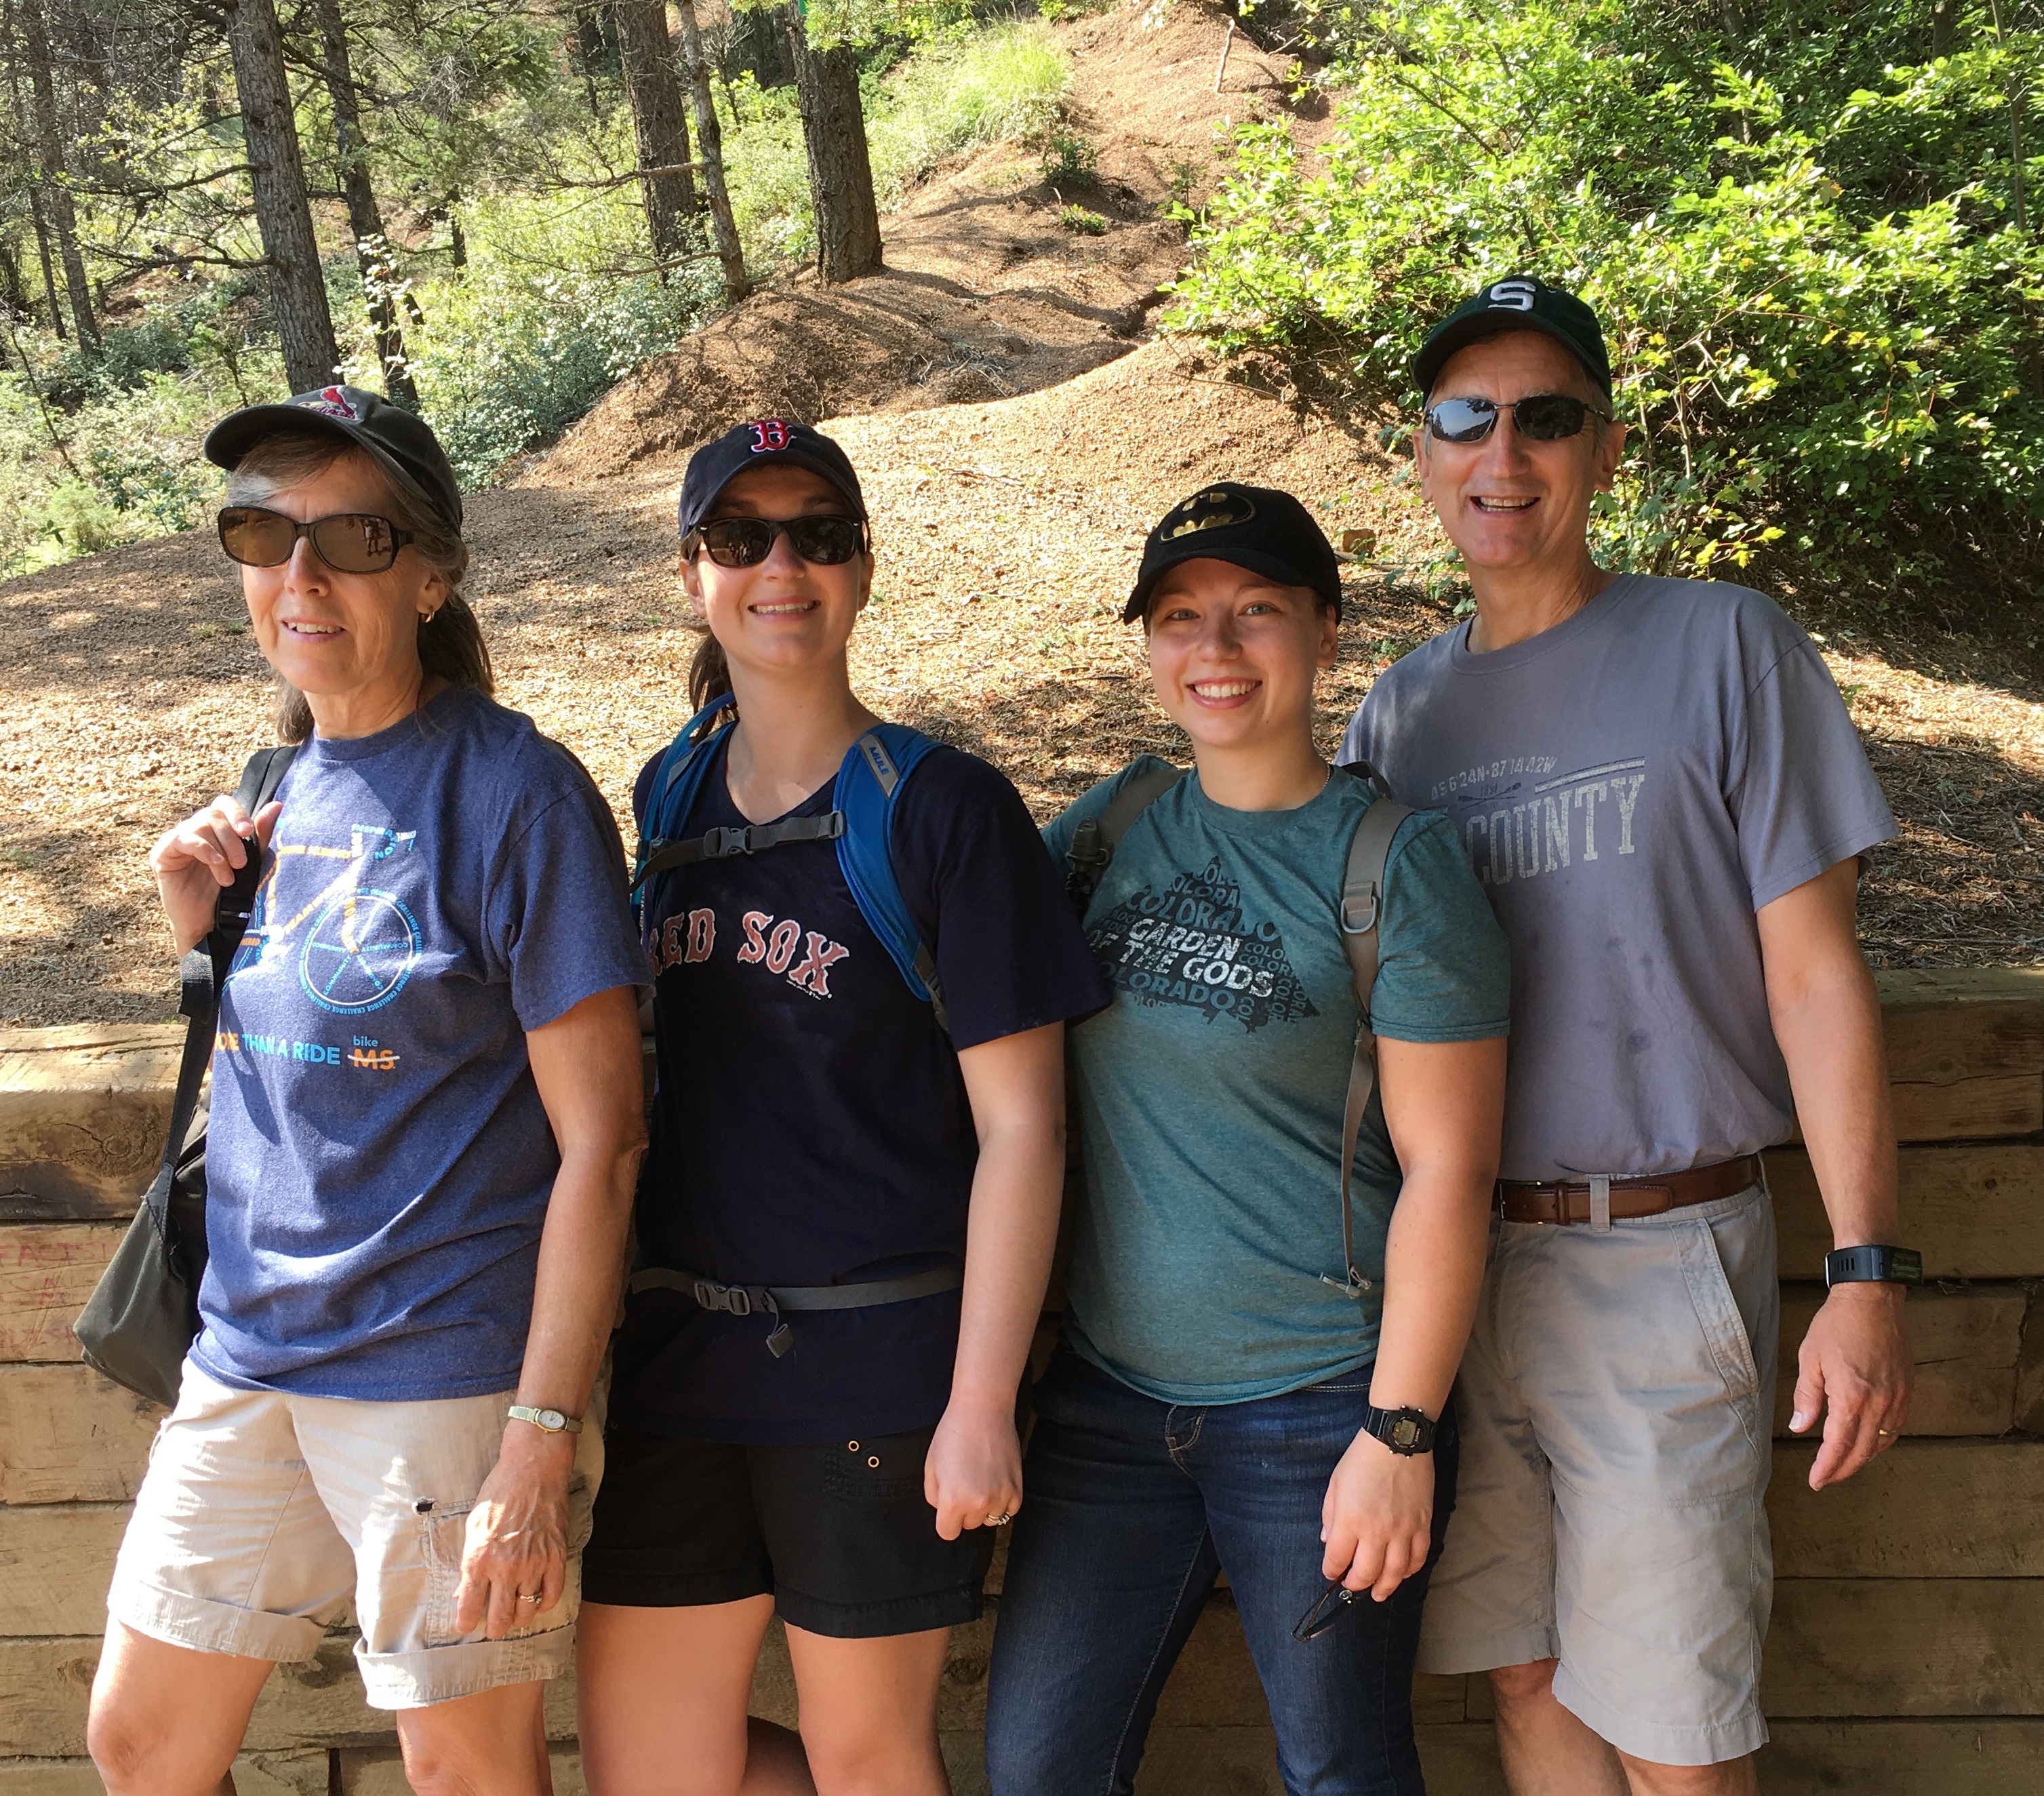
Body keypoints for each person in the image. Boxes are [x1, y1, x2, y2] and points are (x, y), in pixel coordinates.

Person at [1339, 277, 1915, 1795]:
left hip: (1660, 1252)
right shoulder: (1395, 719)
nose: (1502, 453)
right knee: (1525, 1676)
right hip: (1458, 1267)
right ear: (1421, 451)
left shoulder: (1724, 647)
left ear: (1603, 448)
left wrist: (1864, 1266)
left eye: (1545, 417)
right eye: (1464, 417)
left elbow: (1815, 978)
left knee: (1672, 1726)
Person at [85, 385, 651, 1796]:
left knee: (463, 1770)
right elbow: (294, 1072)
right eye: (261, 534)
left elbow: (604, 1143)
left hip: (440, 1370)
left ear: (431, 572)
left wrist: (539, 1436)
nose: (300, 574)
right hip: (247, 1354)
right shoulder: (273, 786)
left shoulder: (517, 795)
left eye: (352, 537)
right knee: (139, 1739)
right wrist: (201, 937)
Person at [576, 419, 1108, 1796]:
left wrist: (980, 1399)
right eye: (739, 536)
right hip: (685, 1364)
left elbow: (1026, 1131)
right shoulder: (669, 796)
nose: (781, 565)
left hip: (878, 1368)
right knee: (650, 1770)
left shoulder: (944, 811)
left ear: (862, 566)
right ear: (690, 572)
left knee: (867, 1756)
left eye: (816, 534)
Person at [984, 483, 1512, 1796]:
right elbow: (955, 947)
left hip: (1319, 1401)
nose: (1213, 647)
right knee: (1039, 1768)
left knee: (1340, 1769)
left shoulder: (1393, 864)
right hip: (1108, 1401)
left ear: (1324, 631)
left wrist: (1399, 1432)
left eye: (1255, 609)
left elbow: (1451, 1169)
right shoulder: (1112, 827)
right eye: (1179, 616)